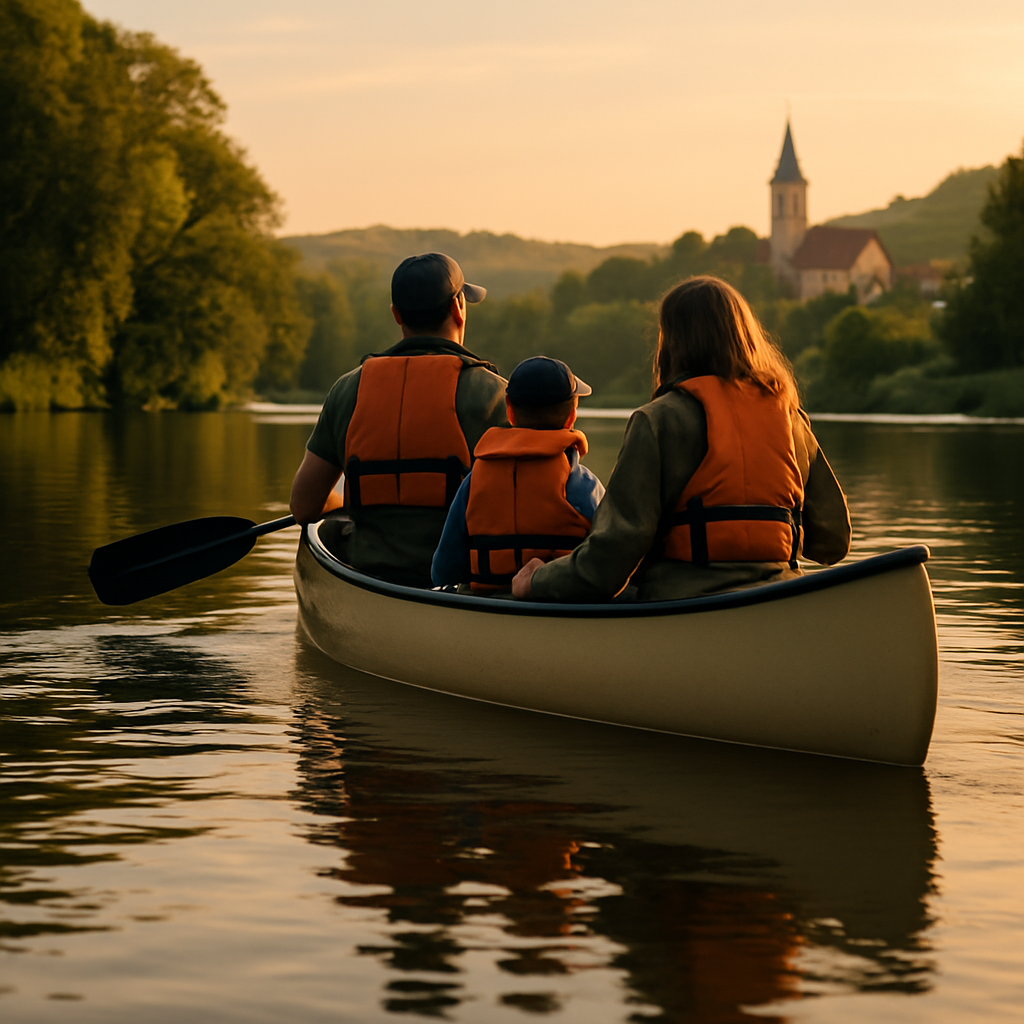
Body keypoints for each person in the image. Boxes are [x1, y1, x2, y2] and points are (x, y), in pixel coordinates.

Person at [512, 276, 851, 602]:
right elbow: (833, 542)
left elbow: (611, 557)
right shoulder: (791, 420)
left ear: (671, 342)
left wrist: (539, 581)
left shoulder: (658, 420)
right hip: (781, 593)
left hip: (681, 600)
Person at [290, 253, 509, 587]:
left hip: (370, 574)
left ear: (396, 314)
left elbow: (304, 507)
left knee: (331, 530)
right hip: (463, 582)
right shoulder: (496, 394)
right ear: (458, 308)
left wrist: (349, 504)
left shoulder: (348, 389)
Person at [431, 356, 606, 593]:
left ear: (509, 411)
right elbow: (609, 553)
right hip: (559, 603)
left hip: (484, 604)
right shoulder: (583, 484)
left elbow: (443, 570)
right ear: (571, 418)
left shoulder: (475, 481)